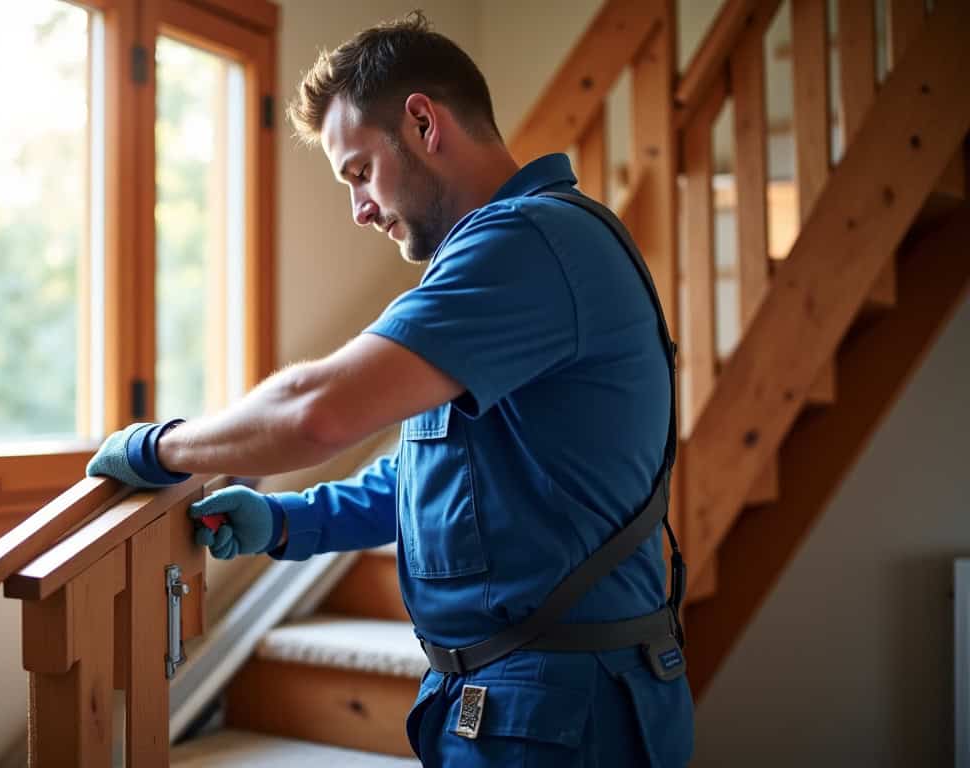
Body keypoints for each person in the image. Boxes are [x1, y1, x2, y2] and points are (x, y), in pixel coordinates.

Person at [87, 11, 694, 766]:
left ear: (421, 123)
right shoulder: (501, 256)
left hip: (566, 709)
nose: (359, 209)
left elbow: (317, 411)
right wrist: (284, 522)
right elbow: (436, 477)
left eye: (359, 172)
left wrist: (161, 447)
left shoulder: (529, 243)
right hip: (518, 699)